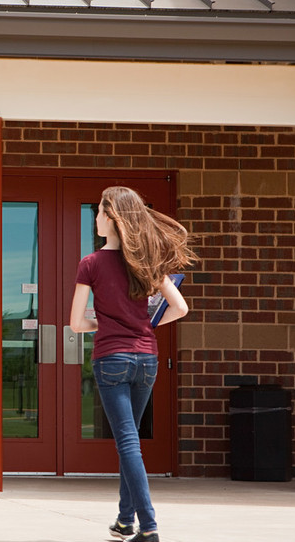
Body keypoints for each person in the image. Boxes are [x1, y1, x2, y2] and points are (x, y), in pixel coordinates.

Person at [69, 186, 194, 542]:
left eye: (98, 212)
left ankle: (149, 526)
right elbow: (181, 308)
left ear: (111, 217)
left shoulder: (90, 263)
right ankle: (125, 520)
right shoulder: (147, 260)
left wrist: (104, 324)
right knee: (131, 440)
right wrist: (146, 325)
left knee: (127, 442)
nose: (95, 218)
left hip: (112, 359)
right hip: (147, 359)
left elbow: (76, 323)